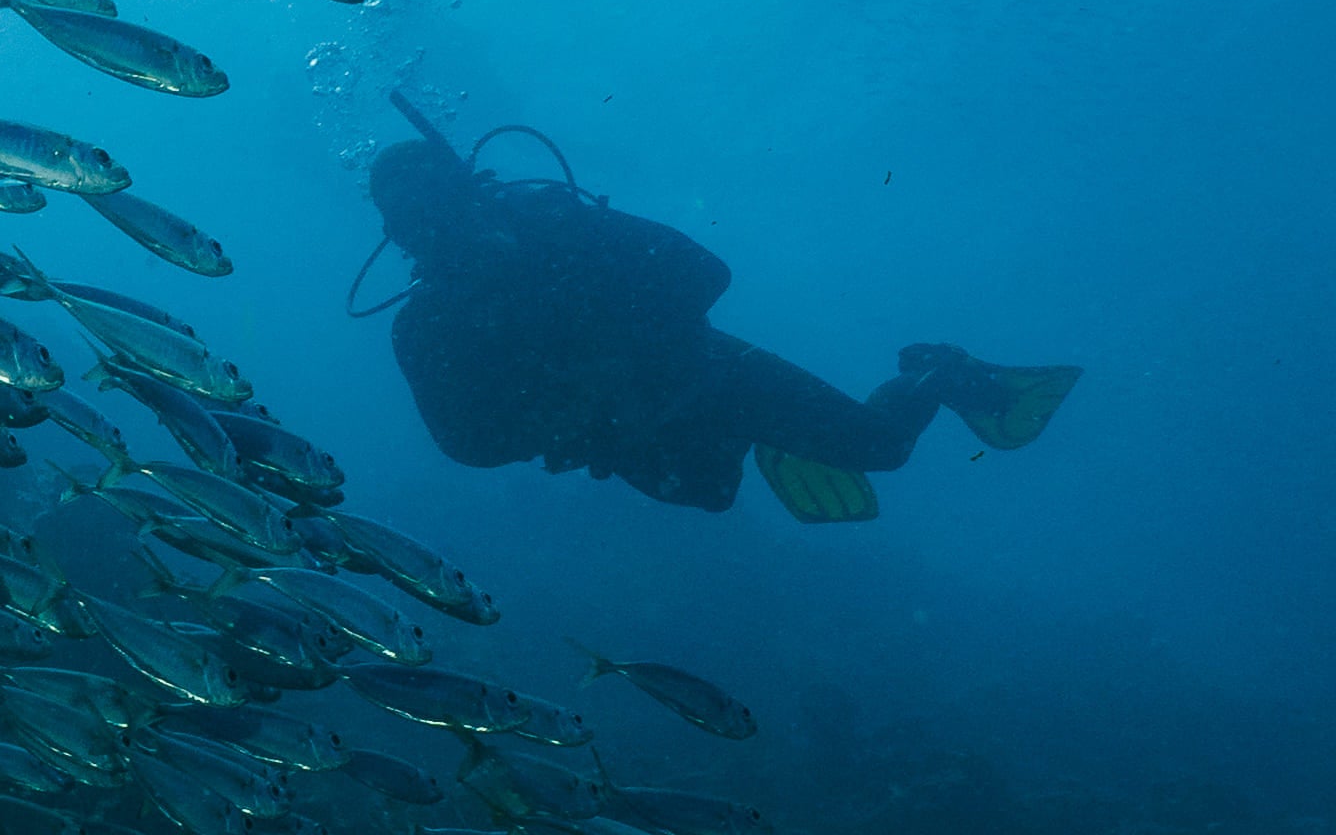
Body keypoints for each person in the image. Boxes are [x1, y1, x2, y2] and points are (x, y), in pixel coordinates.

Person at [354, 102, 1078, 522]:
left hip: (713, 373)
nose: (438, 228)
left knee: (880, 449)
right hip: (626, 434)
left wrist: (624, 351)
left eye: (440, 205)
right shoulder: (424, 328)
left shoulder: (561, 228)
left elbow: (705, 271)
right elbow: (463, 445)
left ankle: (938, 374)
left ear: (471, 189)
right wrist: (559, 414)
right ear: (400, 237)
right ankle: (769, 439)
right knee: (711, 497)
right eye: (416, 220)